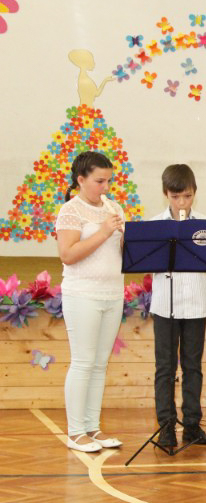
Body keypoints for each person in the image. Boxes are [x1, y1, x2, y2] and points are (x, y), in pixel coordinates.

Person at [55, 151, 125, 452]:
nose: (105, 187)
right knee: (83, 363)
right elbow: (68, 254)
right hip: (82, 294)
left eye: (108, 180)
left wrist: (125, 238)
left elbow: (120, 254)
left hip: (113, 293)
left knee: (99, 364)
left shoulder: (114, 208)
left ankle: (92, 427)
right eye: (99, 181)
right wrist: (105, 232)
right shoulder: (70, 210)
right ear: (81, 180)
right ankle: (75, 432)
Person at [150, 164, 206, 449]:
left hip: (196, 304)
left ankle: (192, 425)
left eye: (187, 196)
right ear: (166, 194)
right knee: (165, 367)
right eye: (176, 197)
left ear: (194, 193)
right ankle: (166, 426)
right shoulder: (155, 226)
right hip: (165, 305)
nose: (182, 203)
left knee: (192, 366)